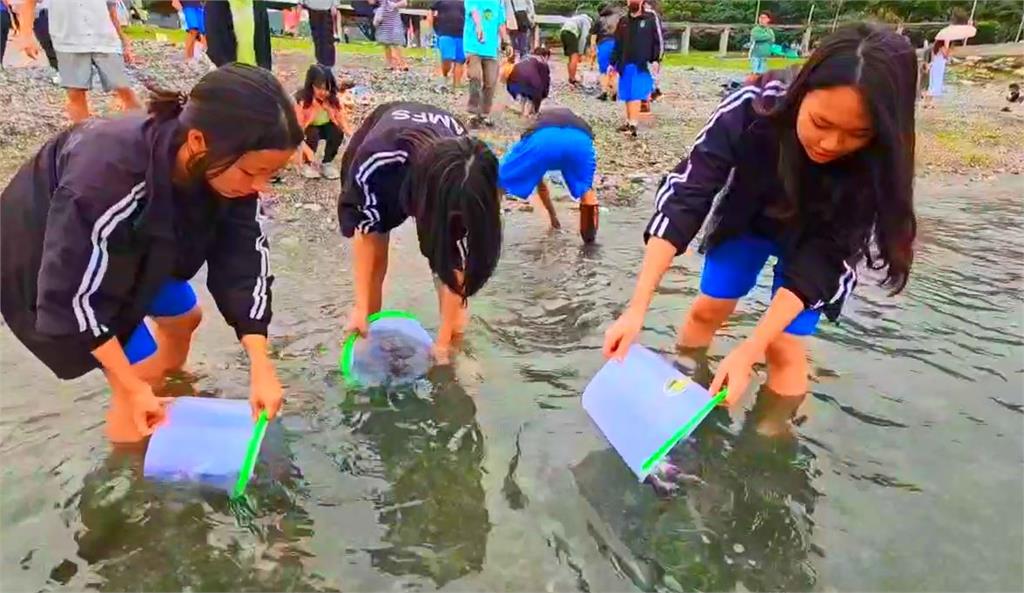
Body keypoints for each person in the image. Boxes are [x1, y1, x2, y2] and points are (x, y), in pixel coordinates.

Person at [603, 24, 918, 406]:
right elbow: (687, 193)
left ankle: (774, 446)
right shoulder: (752, 107)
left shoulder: (878, 160)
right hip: (750, 215)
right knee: (706, 311)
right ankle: (681, 394)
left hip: (818, 236)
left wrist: (750, 349)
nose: (831, 144)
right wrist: (637, 308)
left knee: (783, 347)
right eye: (821, 123)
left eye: (856, 134)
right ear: (801, 93)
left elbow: (826, 259)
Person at [0, 64, 302, 443]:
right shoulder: (109, 175)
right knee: (138, 375)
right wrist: (131, 385)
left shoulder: (226, 171)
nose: (260, 188)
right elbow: (70, 296)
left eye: (270, 175)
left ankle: (168, 388)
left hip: (137, 237)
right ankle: (132, 466)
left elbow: (244, 261)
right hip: (48, 253)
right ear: (198, 142)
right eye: (252, 172)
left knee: (185, 317)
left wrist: (261, 364)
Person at [337, 101, 502, 362]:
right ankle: (369, 331)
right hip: (389, 169)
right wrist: (360, 306)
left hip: (440, 174)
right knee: (376, 253)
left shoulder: (470, 171)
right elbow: (366, 234)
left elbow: (453, 260)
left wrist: (444, 342)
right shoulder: (377, 159)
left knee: (455, 318)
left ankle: (450, 350)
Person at [16, 0, 140, 123]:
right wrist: (26, 35)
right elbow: (28, 3)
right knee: (75, 93)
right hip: (67, 42)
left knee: (124, 88)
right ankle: (82, 136)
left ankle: (143, 131)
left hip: (105, 39)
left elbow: (111, 10)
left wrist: (123, 40)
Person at [499, 107, 599, 243]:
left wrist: (553, 217)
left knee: (498, 181)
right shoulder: (576, 122)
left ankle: (490, 225)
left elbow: (540, 185)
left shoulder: (533, 131)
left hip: (542, 142)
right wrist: (554, 218)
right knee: (586, 191)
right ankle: (590, 243)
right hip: (580, 141)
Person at [609, 0, 661, 137]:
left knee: (636, 92)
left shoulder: (650, 18)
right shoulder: (623, 21)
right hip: (625, 62)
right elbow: (618, 43)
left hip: (642, 63)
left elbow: (658, 39)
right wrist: (612, 63)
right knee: (626, 93)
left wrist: (656, 59)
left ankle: (633, 124)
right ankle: (628, 121)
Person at [295, 63, 354, 180]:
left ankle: (327, 162)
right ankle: (305, 164)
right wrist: (307, 152)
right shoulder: (302, 101)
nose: (323, 92)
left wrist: (351, 136)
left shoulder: (332, 99)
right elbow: (295, 131)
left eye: (327, 89)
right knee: (312, 134)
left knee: (337, 132)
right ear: (311, 85)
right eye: (319, 88)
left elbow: (341, 118)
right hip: (306, 130)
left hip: (325, 127)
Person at [463, 0, 509, 129]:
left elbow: (501, 23)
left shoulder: (498, 3)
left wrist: (506, 41)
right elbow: (474, 12)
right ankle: (472, 112)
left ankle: (484, 113)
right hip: (473, 46)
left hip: (491, 49)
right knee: (475, 77)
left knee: (491, 82)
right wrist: (479, 26)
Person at [205, 0, 272, 71]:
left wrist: (265, 71)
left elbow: (265, 41)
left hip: (256, 73)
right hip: (229, 73)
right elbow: (215, 44)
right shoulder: (216, 4)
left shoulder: (257, 3)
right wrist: (228, 70)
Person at [427, 0, 465, 89]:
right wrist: (431, 28)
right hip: (445, 32)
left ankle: (456, 86)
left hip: (462, 34)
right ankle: (444, 75)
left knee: (459, 61)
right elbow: (430, 11)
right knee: (447, 58)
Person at [502, 45, 550, 116]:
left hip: (512, 85)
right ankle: (530, 111)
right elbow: (545, 84)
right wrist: (538, 104)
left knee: (525, 89)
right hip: (529, 86)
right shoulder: (543, 64)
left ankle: (521, 107)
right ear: (545, 56)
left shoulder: (525, 57)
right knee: (535, 89)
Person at [371, 0, 408, 71]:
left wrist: (395, 5)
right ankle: (390, 64)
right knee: (386, 44)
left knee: (396, 43)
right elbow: (372, 2)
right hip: (383, 20)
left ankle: (403, 64)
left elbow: (404, 3)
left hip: (393, 21)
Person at [595, 3, 621, 101]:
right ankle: (614, 91)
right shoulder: (618, 18)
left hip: (604, 44)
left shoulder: (600, 20)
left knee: (603, 70)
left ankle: (604, 92)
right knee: (614, 68)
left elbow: (593, 35)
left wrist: (593, 47)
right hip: (617, 45)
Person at [559, 11, 593, 86]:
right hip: (571, 33)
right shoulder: (586, 21)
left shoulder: (576, 18)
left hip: (563, 32)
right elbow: (583, 38)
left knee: (570, 57)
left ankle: (571, 77)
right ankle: (573, 79)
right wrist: (581, 53)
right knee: (575, 57)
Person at [304, 0, 338, 69]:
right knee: (317, 35)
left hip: (326, 7)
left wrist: (335, 4)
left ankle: (328, 61)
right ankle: (320, 60)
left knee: (326, 35)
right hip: (313, 6)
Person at [923, 38, 949, 108]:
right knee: (935, 85)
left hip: (934, 66)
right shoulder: (942, 48)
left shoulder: (934, 49)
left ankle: (927, 102)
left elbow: (932, 59)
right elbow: (946, 56)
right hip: (939, 67)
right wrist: (947, 48)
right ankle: (927, 102)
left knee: (932, 85)